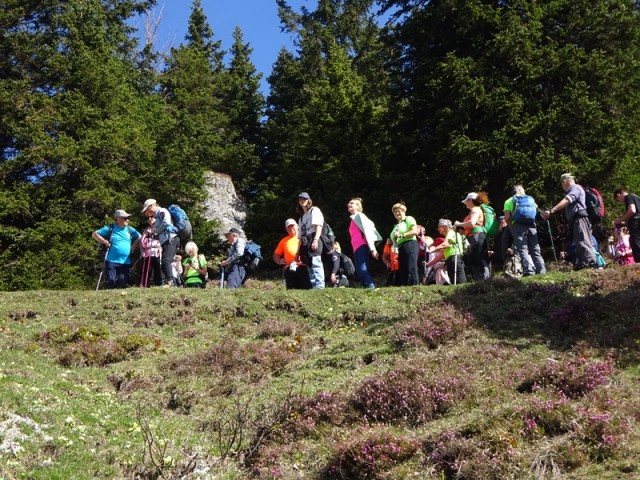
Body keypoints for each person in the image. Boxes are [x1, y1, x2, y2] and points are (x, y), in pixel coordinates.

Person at [542, 173, 598, 270]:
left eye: (562, 184)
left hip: (580, 218)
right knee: (580, 242)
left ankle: (591, 264)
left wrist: (552, 210)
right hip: (578, 219)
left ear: (565, 181)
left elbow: (567, 200)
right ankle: (584, 264)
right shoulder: (577, 188)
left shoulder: (575, 188)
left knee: (583, 241)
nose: (562, 186)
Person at [502, 185, 546, 276]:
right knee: (535, 249)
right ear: (520, 190)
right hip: (531, 225)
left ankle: (529, 271)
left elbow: (507, 217)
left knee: (523, 249)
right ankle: (541, 271)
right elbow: (537, 212)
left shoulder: (509, 201)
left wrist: (512, 227)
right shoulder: (530, 199)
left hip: (518, 225)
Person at [92, 209, 141, 289]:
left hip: (126, 261)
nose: (127, 220)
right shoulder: (110, 228)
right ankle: (107, 298)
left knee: (122, 281)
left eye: (128, 218)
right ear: (118, 219)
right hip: (112, 260)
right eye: (125, 218)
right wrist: (105, 241)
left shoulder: (130, 229)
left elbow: (139, 237)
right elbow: (94, 234)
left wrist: (134, 245)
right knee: (110, 281)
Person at [142, 199, 181, 286]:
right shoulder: (158, 215)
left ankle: (172, 283)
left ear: (152, 206)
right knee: (164, 262)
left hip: (171, 239)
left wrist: (156, 231)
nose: (147, 213)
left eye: (147, 210)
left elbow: (166, 223)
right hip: (166, 241)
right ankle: (170, 282)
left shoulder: (162, 211)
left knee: (165, 261)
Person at [346, 197, 381, 289]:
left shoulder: (360, 216)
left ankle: (371, 288)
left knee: (363, 269)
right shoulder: (353, 219)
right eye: (349, 203)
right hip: (356, 248)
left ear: (358, 206)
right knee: (359, 271)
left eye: (352, 203)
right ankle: (365, 290)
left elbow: (368, 231)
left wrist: (373, 249)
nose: (349, 205)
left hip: (362, 245)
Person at [455, 192, 490, 281]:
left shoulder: (475, 209)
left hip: (476, 236)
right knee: (475, 259)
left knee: (479, 259)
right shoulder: (475, 210)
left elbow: (472, 223)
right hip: (474, 236)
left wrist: (459, 224)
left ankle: (485, 282)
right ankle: (480, 282)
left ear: (470, 200)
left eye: (466, 201)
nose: (465, 203)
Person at [297, 192, 325, 289]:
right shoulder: (301, 218)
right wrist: (297, 252)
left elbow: (319, 226)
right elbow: (300, 237)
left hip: (313, 237)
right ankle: (314, 287)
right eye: (300, 199)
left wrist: (316, 240)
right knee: (309, 265)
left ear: (308, 200)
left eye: (304, 199)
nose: (302, 201)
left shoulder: (314, 210)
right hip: (305, 241)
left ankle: (320, 287)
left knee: (316, 262)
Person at [273, 219, 311, 290]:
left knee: (306, 289)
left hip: (303, 266)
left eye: (292, 226)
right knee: (292, 290)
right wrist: (279, 261)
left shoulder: (303, 237)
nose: (291, 228)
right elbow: (276, 254)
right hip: (289, 267)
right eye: (289, 227)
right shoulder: (284, 240)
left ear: (297, 226)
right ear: (286, 229)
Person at [387, 203, 419, 286]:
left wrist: (402, 235)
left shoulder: (408, 219)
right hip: (400, 247)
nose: (397, 213)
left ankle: (415, 287)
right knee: (403, 269)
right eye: (395, 212)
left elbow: (415, 231)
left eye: (399, 211)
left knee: (411, 267)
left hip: (410, 243)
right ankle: (405, 287)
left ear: (404, 211)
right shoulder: (397, 225)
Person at [427, 219, 467, 284]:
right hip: (451, 259)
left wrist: (431, 251)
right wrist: (429, 264)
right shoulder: (450, 235)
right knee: (454, 280)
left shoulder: (451, 233)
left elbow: (444, 244)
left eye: (439, 227)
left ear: (445, 226)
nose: (438, 229)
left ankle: (464, 293)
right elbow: (442, 254)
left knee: (459, 280)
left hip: (455, 258)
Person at [612, 188, 640, 263]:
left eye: (618, 200)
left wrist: (620, 219)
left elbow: (632, 210)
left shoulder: (628, 197)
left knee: (635, 242)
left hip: (636, 223)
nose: (621, 202)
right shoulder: (636, 197)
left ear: (618, 195)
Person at [140, 216, 162, 287]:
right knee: (147, 269)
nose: (150, 219)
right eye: (149, 218)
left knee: (157, 269)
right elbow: (141, 241)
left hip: (157, 252)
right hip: (148, 252)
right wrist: (142, 251)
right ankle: (144, 284)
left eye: (152, 217)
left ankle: (158, 284)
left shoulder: (160, 229)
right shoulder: (146, 230)